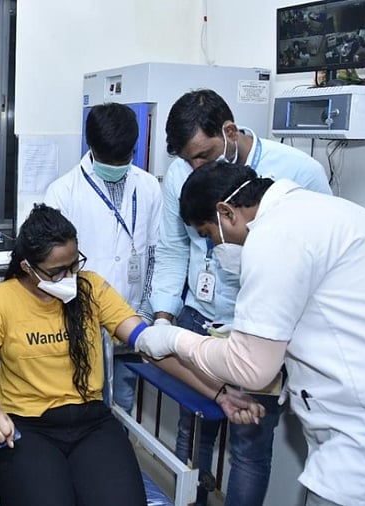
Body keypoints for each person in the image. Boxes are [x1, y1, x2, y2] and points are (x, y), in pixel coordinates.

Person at [136, 162, 365, 506]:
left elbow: (251, 369)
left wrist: (172, 339)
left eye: (209, 234)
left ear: (227, 212)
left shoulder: (274, 235)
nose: (215, 247)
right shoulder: (332, 213)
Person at [0, 204, 263, 506]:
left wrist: (219, 393)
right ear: (28, 267)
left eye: (74, 265)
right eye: (57, 272)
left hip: (91, 423)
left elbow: (149, 345)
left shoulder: (92, 288)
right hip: (28, 428)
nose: (70, 276)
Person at [149, 88, 331, 505]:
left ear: (229, 131)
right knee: (193, 430)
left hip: (263, 329)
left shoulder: (298, 173)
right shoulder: (183, 172)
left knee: (249, 444)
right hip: (199, 314)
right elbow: (176, 249)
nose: (196, 167)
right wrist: (163, 319)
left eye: (204, 155)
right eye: (188, 160)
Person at [44, 102, 161, 414]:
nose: (117, 165)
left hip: (132, 315)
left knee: (122, 403)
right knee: (81, 401)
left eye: (123, 158)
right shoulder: (62, 192)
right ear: (91, 146)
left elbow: (154, 253)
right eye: (110, 159)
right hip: (81, 319)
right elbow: (52, 270)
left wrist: (146, 313)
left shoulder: (148, 187)